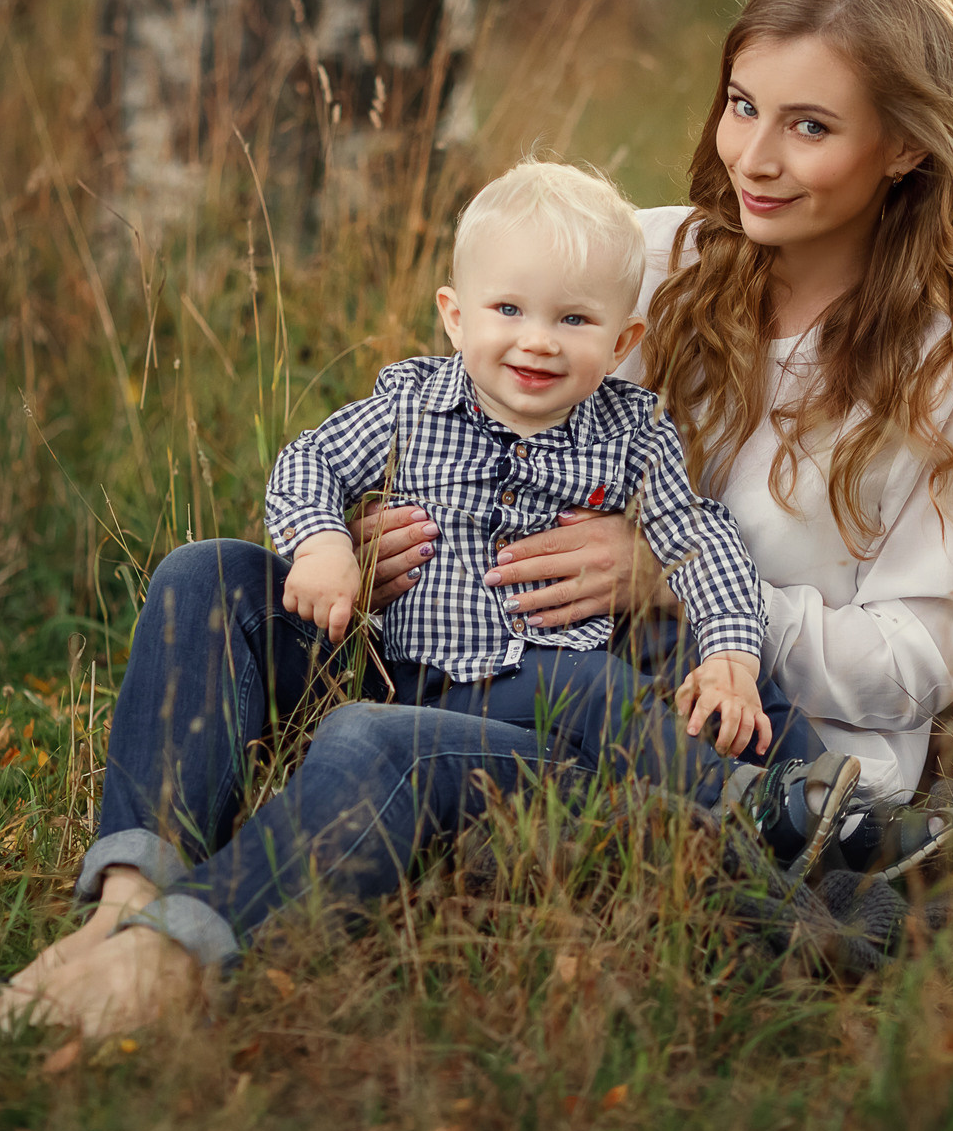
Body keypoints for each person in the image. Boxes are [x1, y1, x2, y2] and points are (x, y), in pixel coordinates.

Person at [0, 0, 953, 1038]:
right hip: (487, 638)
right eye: (741, 107)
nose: (754, 159)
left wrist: (668, 583)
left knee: (369, 744)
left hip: (693, 729)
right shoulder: (651, 255)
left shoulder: (946, 370)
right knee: (208, 580)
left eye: (808, 127)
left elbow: (923, 662)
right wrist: (367, 536)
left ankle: (166, 969)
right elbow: (472, 399)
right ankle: (127, 897)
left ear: (905, 146)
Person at [266, 157, 776, 766]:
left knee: (651, 673)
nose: (539, 340)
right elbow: (310, 460)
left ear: (621, 344)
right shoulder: (411, 408)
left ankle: (812, 798)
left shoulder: (634, 433)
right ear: (456, 318)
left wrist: (731, 658)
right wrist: (323, 546)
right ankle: (745, 802)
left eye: (574, 319)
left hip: (549, 702)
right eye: (508, 310)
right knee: (598, 689)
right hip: (430, 679)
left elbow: (700, 540)